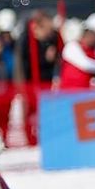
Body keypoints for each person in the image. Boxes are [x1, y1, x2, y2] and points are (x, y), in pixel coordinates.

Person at [14, 11, 60, 147]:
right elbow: (24, 63)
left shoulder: (50, 39)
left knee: (46, 111)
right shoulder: (26, 40)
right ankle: (30, 138)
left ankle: (45, 135)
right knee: (30, 111)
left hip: (46, 81)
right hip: (29, 82)